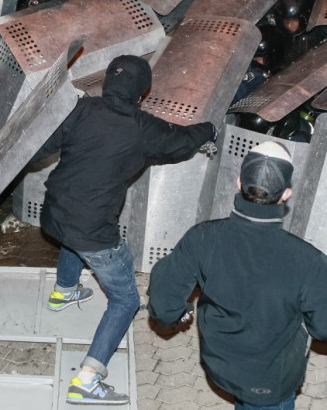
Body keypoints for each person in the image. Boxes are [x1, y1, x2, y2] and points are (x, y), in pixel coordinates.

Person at [32, 55, 217, 404]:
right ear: (141, 90)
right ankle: (87, 380)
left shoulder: (80, 109)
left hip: (54, 214)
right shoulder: (142, 127)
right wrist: (208, 130)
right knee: (126, 299)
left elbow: (39, 148)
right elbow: (178, 141)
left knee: (73, 235)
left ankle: (63, 292)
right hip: (93, 230)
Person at [148, 141, 327, 409]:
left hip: (219, 366)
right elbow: (322, 328)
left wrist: (181, 311)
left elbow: (162, 305)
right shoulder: (309, 261)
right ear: (287, 193)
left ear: (239, 182)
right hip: (268, 383)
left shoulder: (202, 237)